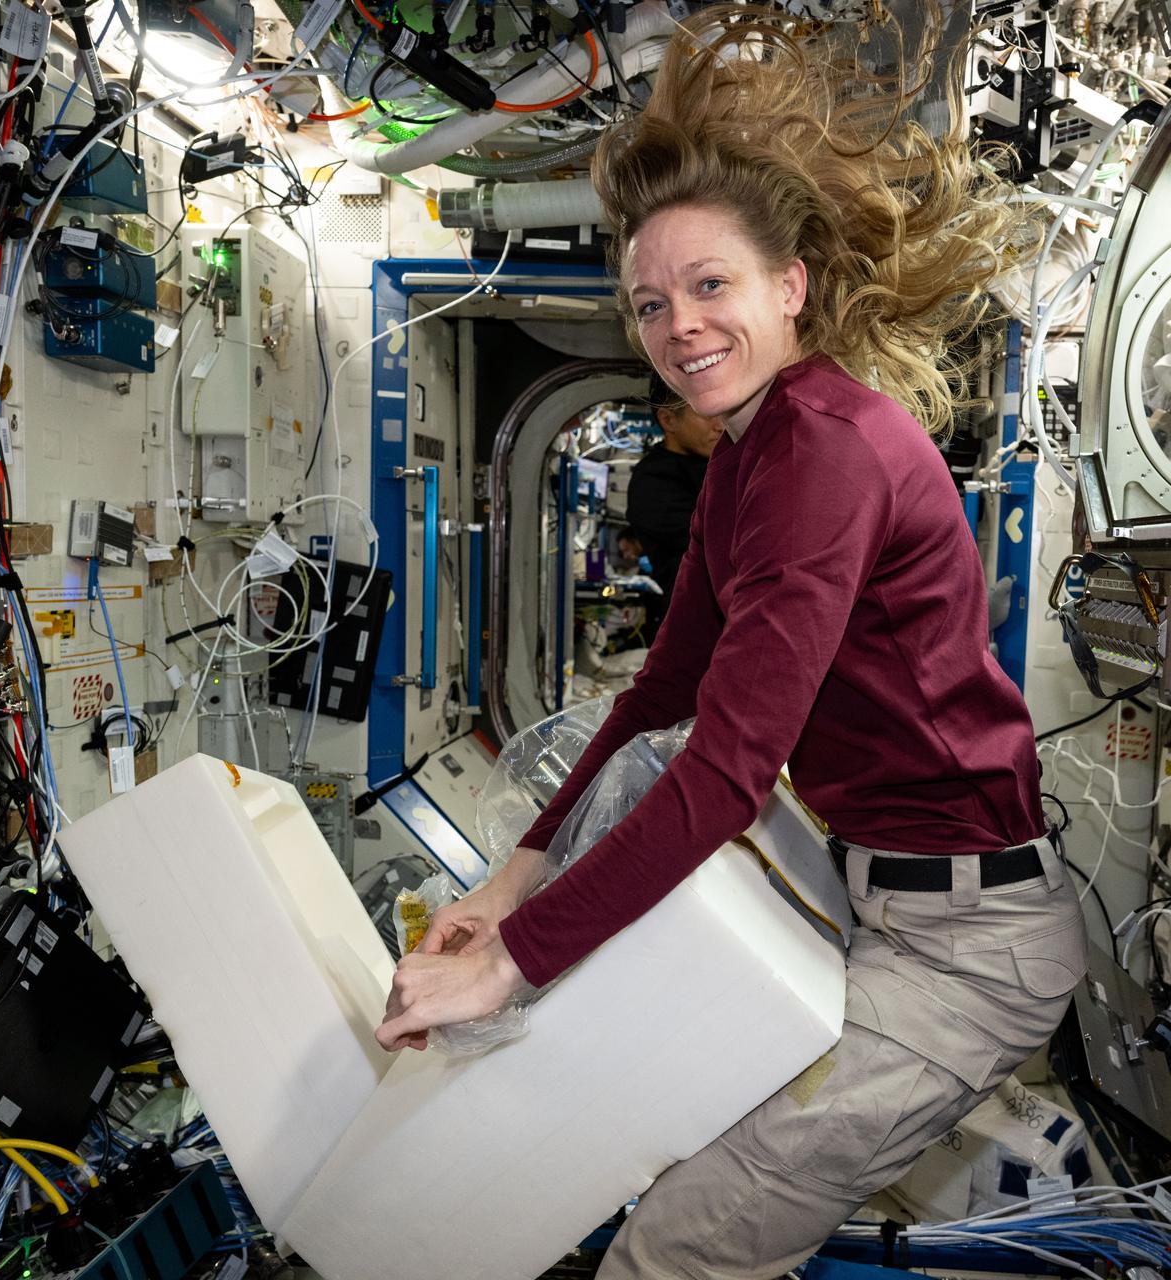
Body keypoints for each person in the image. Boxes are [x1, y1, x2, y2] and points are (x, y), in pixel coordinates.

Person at [375, 9, 1085, 1277]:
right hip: (876, 891)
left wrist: (513, 966)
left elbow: (732, 768)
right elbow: (663, 699)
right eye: (651, 304)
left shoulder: (825, 449)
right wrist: (513, 880)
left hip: (967, 953)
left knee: (677, 1245)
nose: (679, 325)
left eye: (711, 287)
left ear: (789, 287)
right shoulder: (754, 459)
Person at [624, 373, 724, 643]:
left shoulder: (723, 460)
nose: (720, 425)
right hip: (704, 627)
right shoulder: (653, 483)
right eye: (707, 415)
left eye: (725, 412)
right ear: (668, 420)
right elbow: (721, 543)